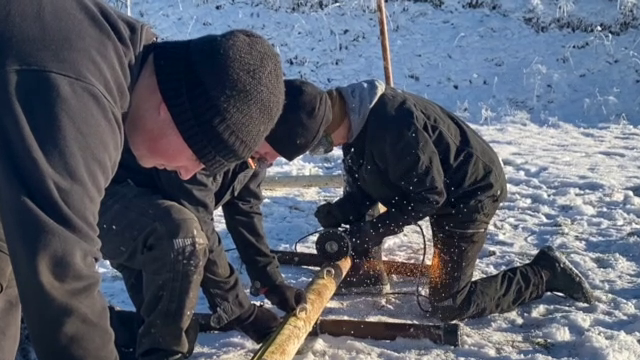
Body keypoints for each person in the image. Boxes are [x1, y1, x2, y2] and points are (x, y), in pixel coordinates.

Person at [0, 0, 286, 359]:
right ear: (172, 112)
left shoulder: (123, 58)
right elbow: (61, 272)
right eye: (199, 158)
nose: (187, 173)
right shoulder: (78, 93)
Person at [309, 79, 595, 322]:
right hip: (438, 188)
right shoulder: (356, 129)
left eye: (324, 141)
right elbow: (368, 188)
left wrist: (374, 230)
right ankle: (366, 275)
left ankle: (544, 272)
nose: (330, 148)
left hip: (470, 193)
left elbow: (427, 197)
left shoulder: (394, 126)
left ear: (336, 121)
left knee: (448, 304)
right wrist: (339, 212)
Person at [99, 79, 332, 359]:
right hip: (111, 205)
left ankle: (59, 331)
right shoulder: (210, 131)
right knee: (182, 241)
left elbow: (245, 212)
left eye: (279, 156)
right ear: (263, 121)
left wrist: (271, 281)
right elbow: (197, 224)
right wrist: (243, 312)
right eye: (273, 148)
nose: (270, 159)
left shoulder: (255, 154)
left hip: (157, 222)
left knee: (172, 332)